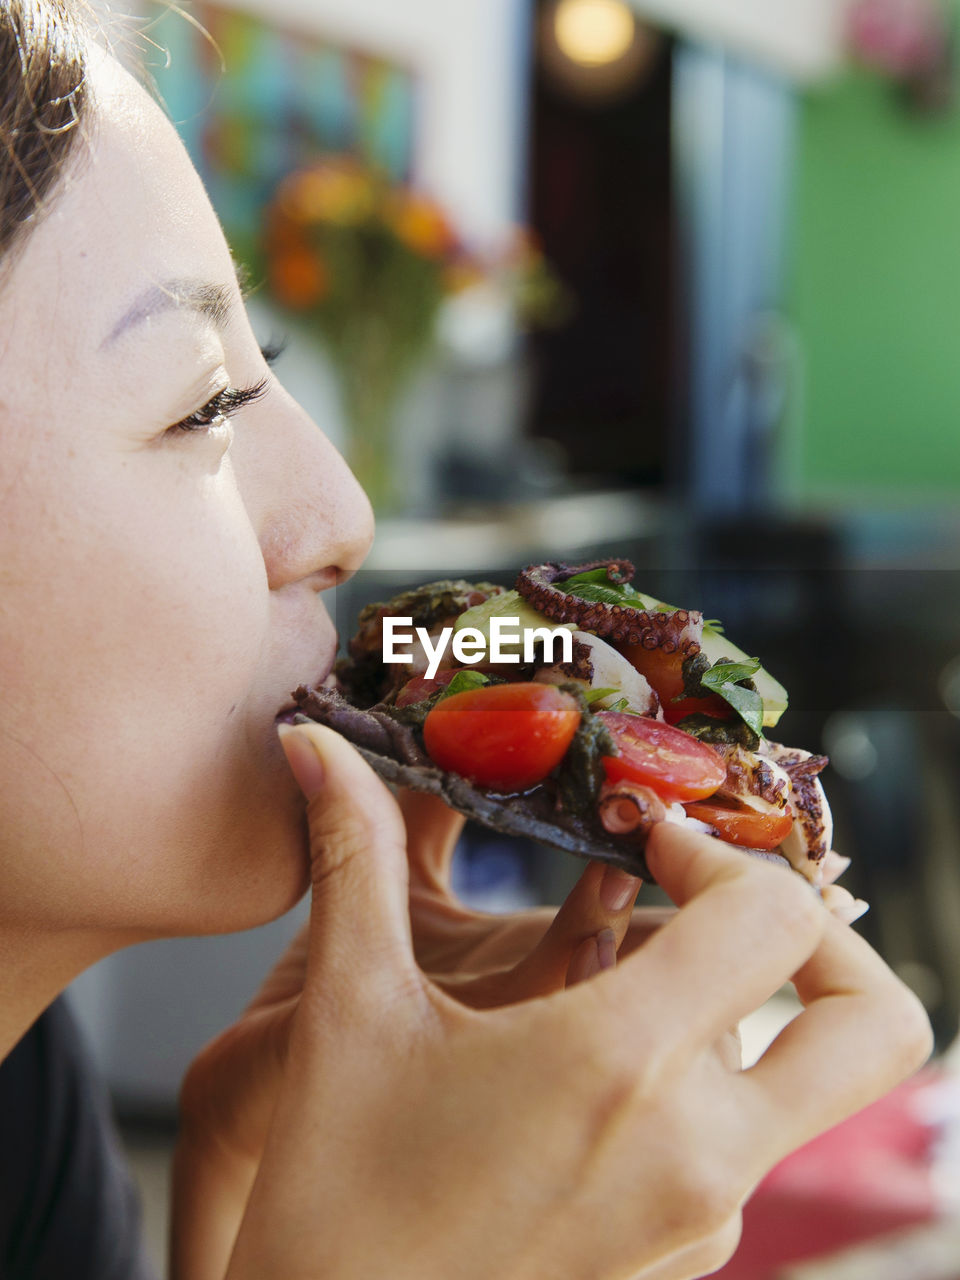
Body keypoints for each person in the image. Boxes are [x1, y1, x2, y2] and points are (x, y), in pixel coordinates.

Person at [0, 4, 933, 1279]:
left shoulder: (26, 1092)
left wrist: (239, 1155)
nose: (344, 514)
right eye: (204, 402)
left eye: (264, 368)